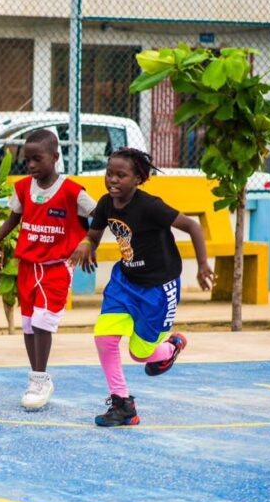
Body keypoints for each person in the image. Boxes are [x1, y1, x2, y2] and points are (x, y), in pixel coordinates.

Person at [70, 148, 215, 427]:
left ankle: (170, 349)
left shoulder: (150, 206)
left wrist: (203, 265)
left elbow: (193, 227)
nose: (113, 180)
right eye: (109, 173)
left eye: (121, 175)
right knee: (105, 337)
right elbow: (94, 234)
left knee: (141, 353)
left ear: (138, 178)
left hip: (158, 289)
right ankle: (122, 404)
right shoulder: (106, 203)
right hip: (124, 283)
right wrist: (87, 244)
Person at [0, 129, 96, 410]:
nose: (32, 165)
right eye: (28, 160)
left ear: (56, 157)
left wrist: (88, 242)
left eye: (38, 159)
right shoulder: (23, 188)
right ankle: (38, 377)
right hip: (28, 266)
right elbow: (14, 217)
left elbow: (101, 215)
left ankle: (39, 379)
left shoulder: (73, 192)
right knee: (28, 326)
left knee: (41, 323)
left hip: (57, 267)